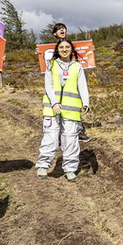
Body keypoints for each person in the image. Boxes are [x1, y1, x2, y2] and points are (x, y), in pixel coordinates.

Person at [36, 38, 90, 180]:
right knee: (51, 137)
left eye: (67, 47)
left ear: (71, 49)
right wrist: (54, 102)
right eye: (61, 47)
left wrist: (86, 102)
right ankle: (43, 165)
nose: (64, 49)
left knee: (70, 140)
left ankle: (70, 169)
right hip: (51, 108)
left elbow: (82, 86)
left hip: (71, 109)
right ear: (57, 50)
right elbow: (48, 85)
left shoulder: (77, 66)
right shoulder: (52, 65)